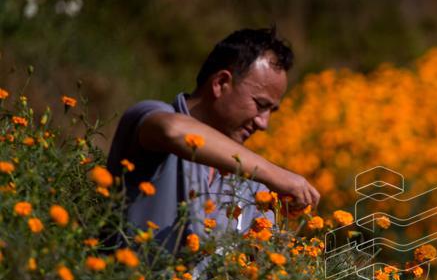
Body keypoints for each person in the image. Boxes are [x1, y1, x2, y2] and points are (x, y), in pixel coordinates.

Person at [107, 26, 320, 252]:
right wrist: (272, 173)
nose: (263, 123)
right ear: (220, 83)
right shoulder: (151, 117)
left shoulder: (253, 186)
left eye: (271, 111)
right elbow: (172, 130)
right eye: (260, 105)